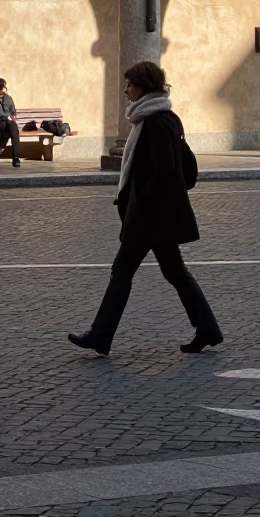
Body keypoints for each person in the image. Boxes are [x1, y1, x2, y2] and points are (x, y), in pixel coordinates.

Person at [68, 61, 222, 356]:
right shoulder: (161, 118)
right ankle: (208, 328)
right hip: (158, 217)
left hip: (150, 218)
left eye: (129, 84)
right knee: (174, 272)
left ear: (144, 86)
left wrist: (138, 206)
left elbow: (164, 171)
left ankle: (100, 336)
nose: (126, 90)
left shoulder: (154, 122)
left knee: (122, 271)